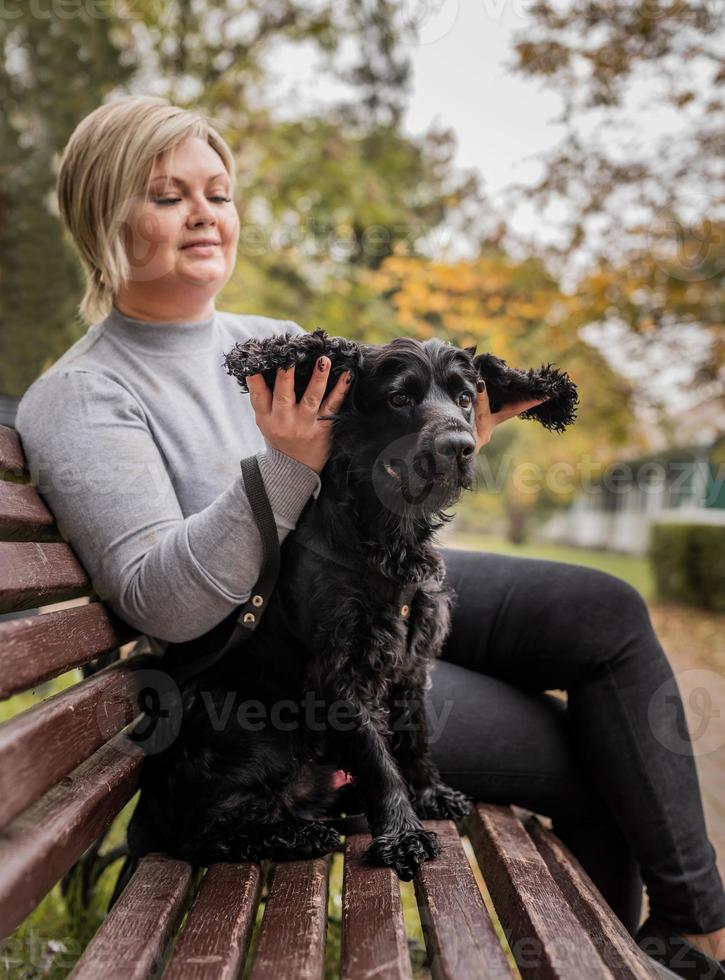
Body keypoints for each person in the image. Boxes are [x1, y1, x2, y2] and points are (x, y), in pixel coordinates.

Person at [15, 95, 725, 978]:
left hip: (377, 593)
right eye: (166, 195)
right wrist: (285, 465)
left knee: (604, 609)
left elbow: (406, 396)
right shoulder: (84, 396)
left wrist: (447, 428)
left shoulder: (270, 339)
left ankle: (695, 929)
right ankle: (617, 964)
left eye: (219, 192)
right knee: (573, 752)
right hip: (283, 668)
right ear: (100, 215)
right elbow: (165, 598)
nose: (204, 213)